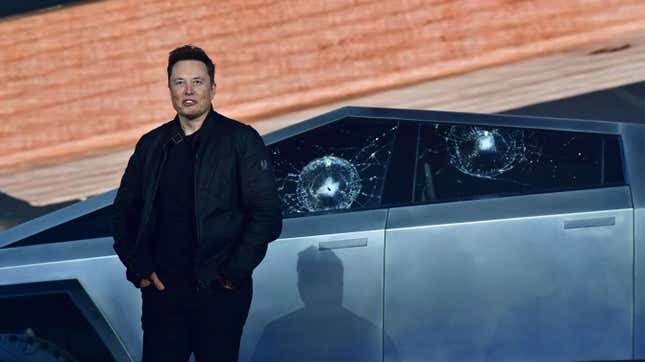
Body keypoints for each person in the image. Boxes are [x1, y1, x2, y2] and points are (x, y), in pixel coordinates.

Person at [111, 45, 283, 362]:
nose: (188, 91)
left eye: (197, 82)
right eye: (179, 82)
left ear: (212, 88)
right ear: (170, 89)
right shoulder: (151, 145)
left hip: (219, 295)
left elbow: (267, 214)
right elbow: (125, 212)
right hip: (163, 296)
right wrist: (140, 268)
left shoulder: (240, 140)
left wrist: (232, 274)